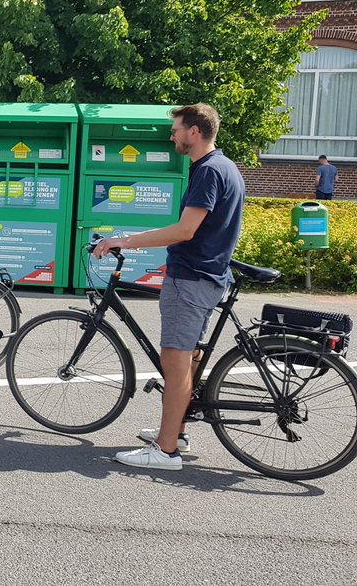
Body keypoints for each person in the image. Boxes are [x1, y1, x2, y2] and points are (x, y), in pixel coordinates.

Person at [93, 103, 244, 471]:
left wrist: (124, 241)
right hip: (208, 277)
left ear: (195, 131)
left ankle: (165, 451)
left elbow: (184, 230)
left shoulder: (208, 171)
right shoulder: (224, 167)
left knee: (175, 364)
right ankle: (177, 430)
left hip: (191, 279)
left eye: (176, 129)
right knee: (189, 360)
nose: (172, 135)